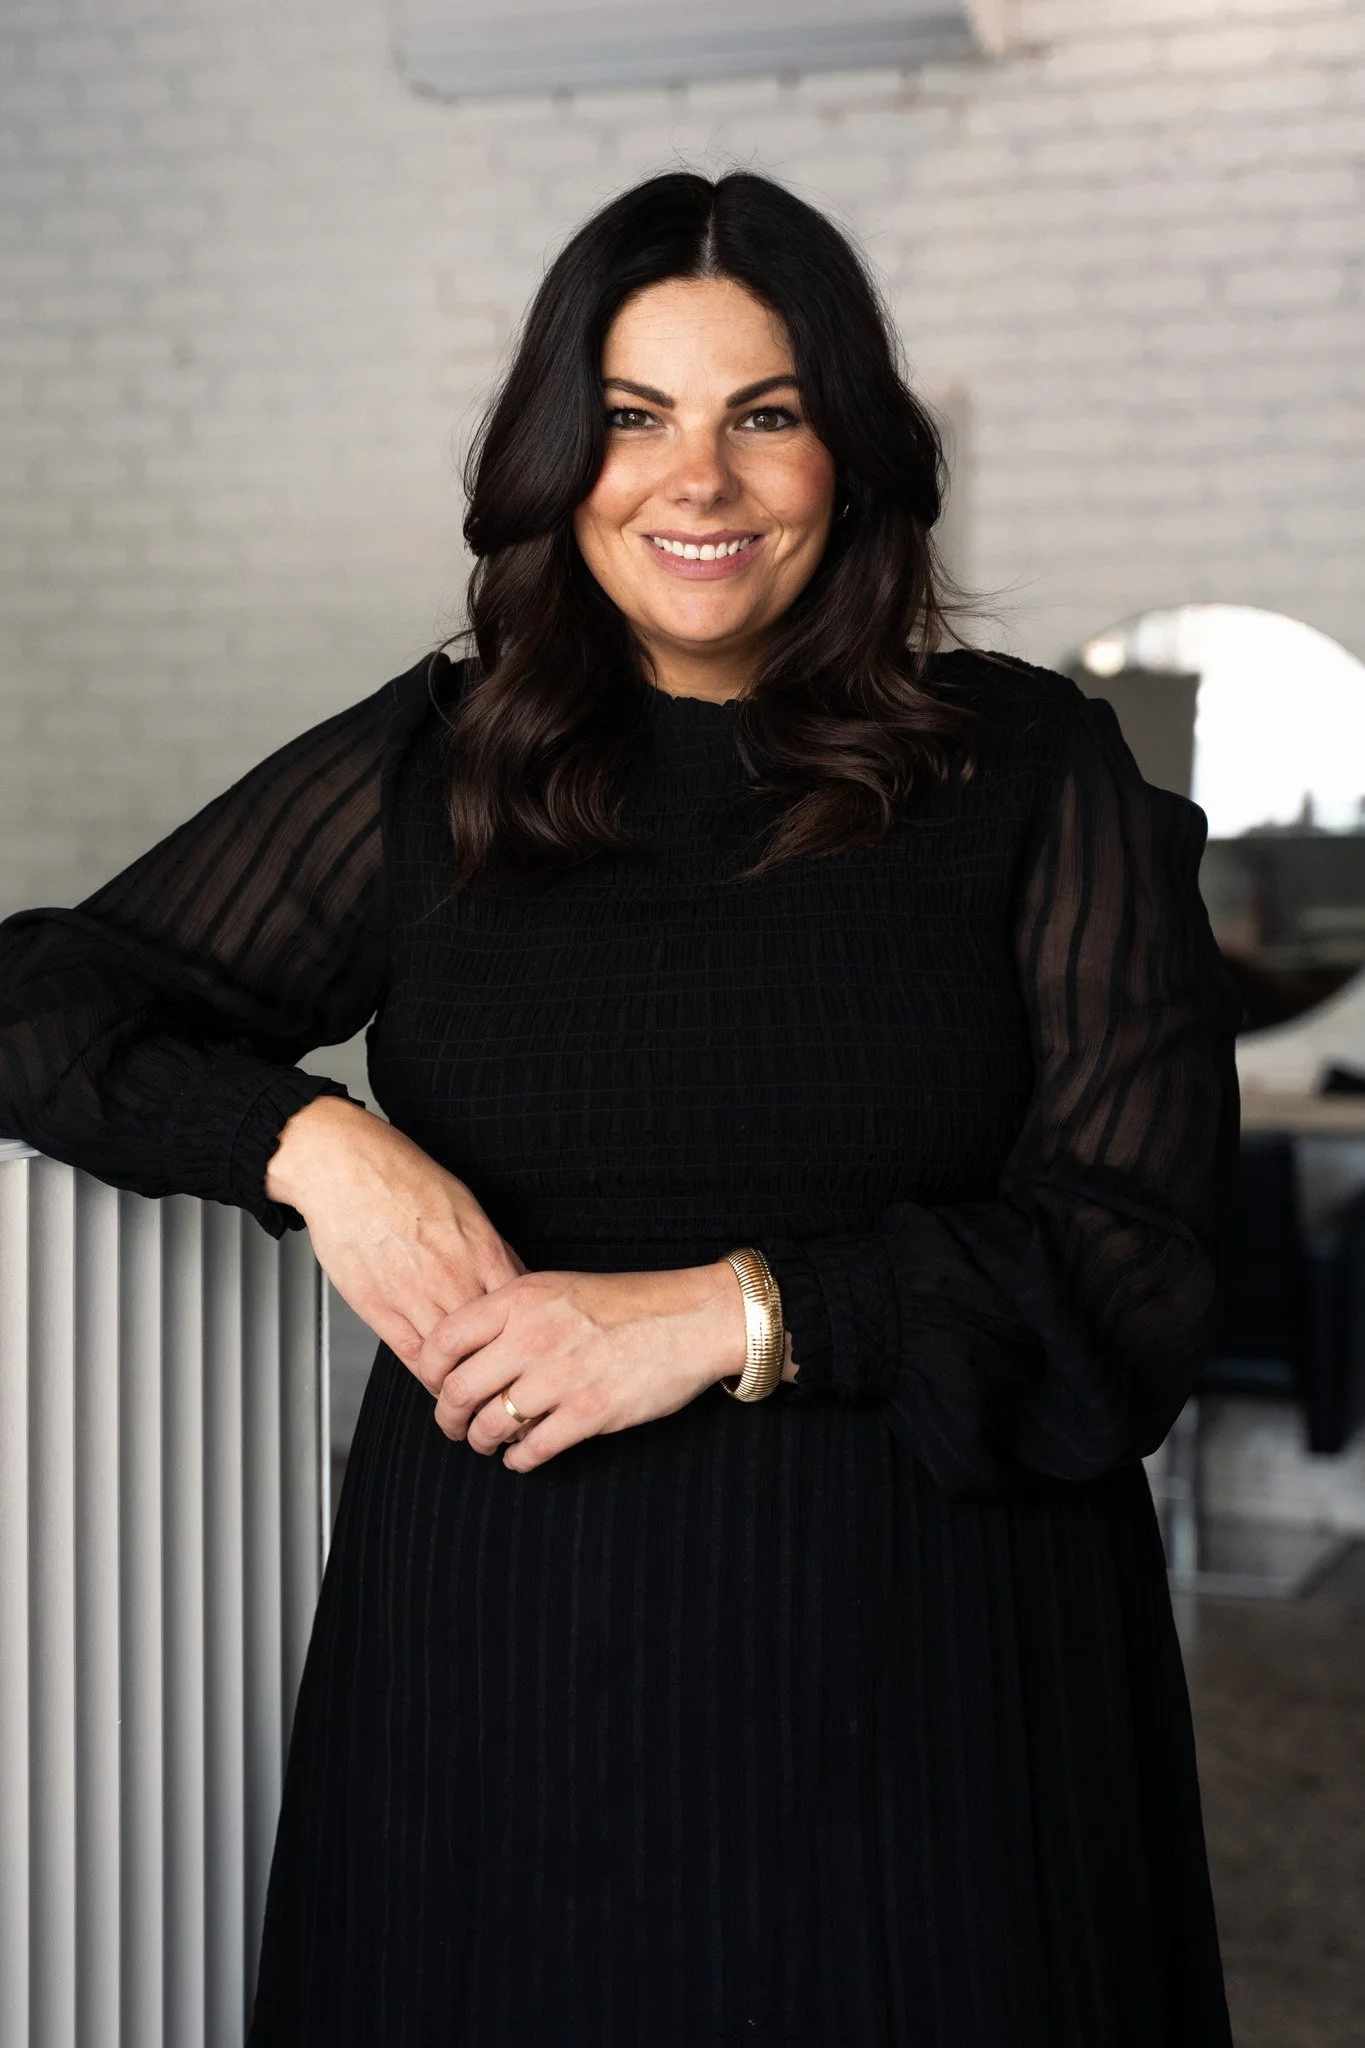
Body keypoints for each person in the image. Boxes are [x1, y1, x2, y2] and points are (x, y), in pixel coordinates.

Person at [0, 170, 1241, 2046]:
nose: (699, 483)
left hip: (942, 1675)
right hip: (504, 1675)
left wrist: (722, 1312)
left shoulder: (1033, 764)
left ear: (854, 457)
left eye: (768, 415)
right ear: (558, 458)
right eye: (635, 417)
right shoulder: (442, 764)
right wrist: (313, 1146)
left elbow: (1134, 1271)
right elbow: (42, 992)